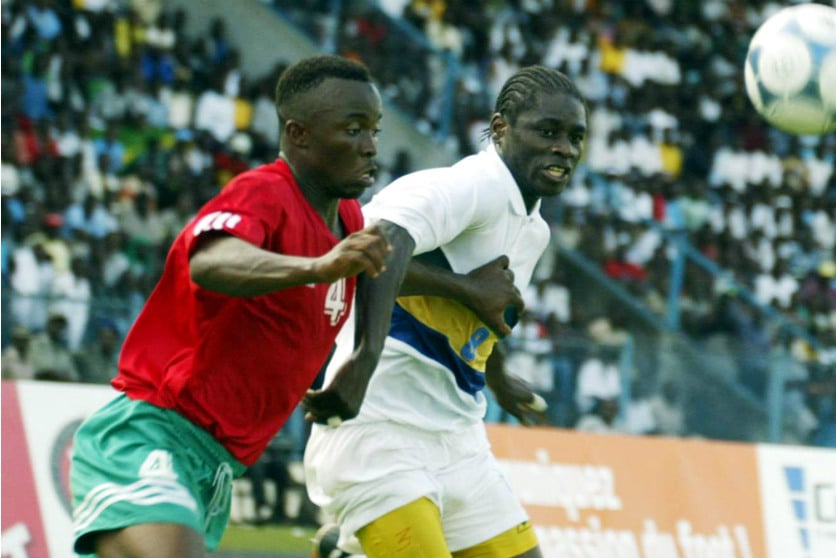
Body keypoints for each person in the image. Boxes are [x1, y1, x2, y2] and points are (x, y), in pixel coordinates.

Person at [69, 55, 519, 558]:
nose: (370, 146)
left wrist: (455, 296)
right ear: (298, 134)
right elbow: (212, 261)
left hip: (216, 464)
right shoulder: (265, 192)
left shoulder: (347, 218)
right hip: (151, 435)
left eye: (374, 130)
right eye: (353, 129)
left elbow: (382, 267)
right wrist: (317, 267)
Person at [303, 65, 587, 558]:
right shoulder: (472, 186)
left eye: (575, 137)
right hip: (380, 430)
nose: (564, 148)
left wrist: (498, 377)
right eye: (548, 132)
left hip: (459, 441)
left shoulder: (534, 229)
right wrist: (363, 361)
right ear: (500, 128)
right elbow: (368, 246)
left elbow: (486, 308)